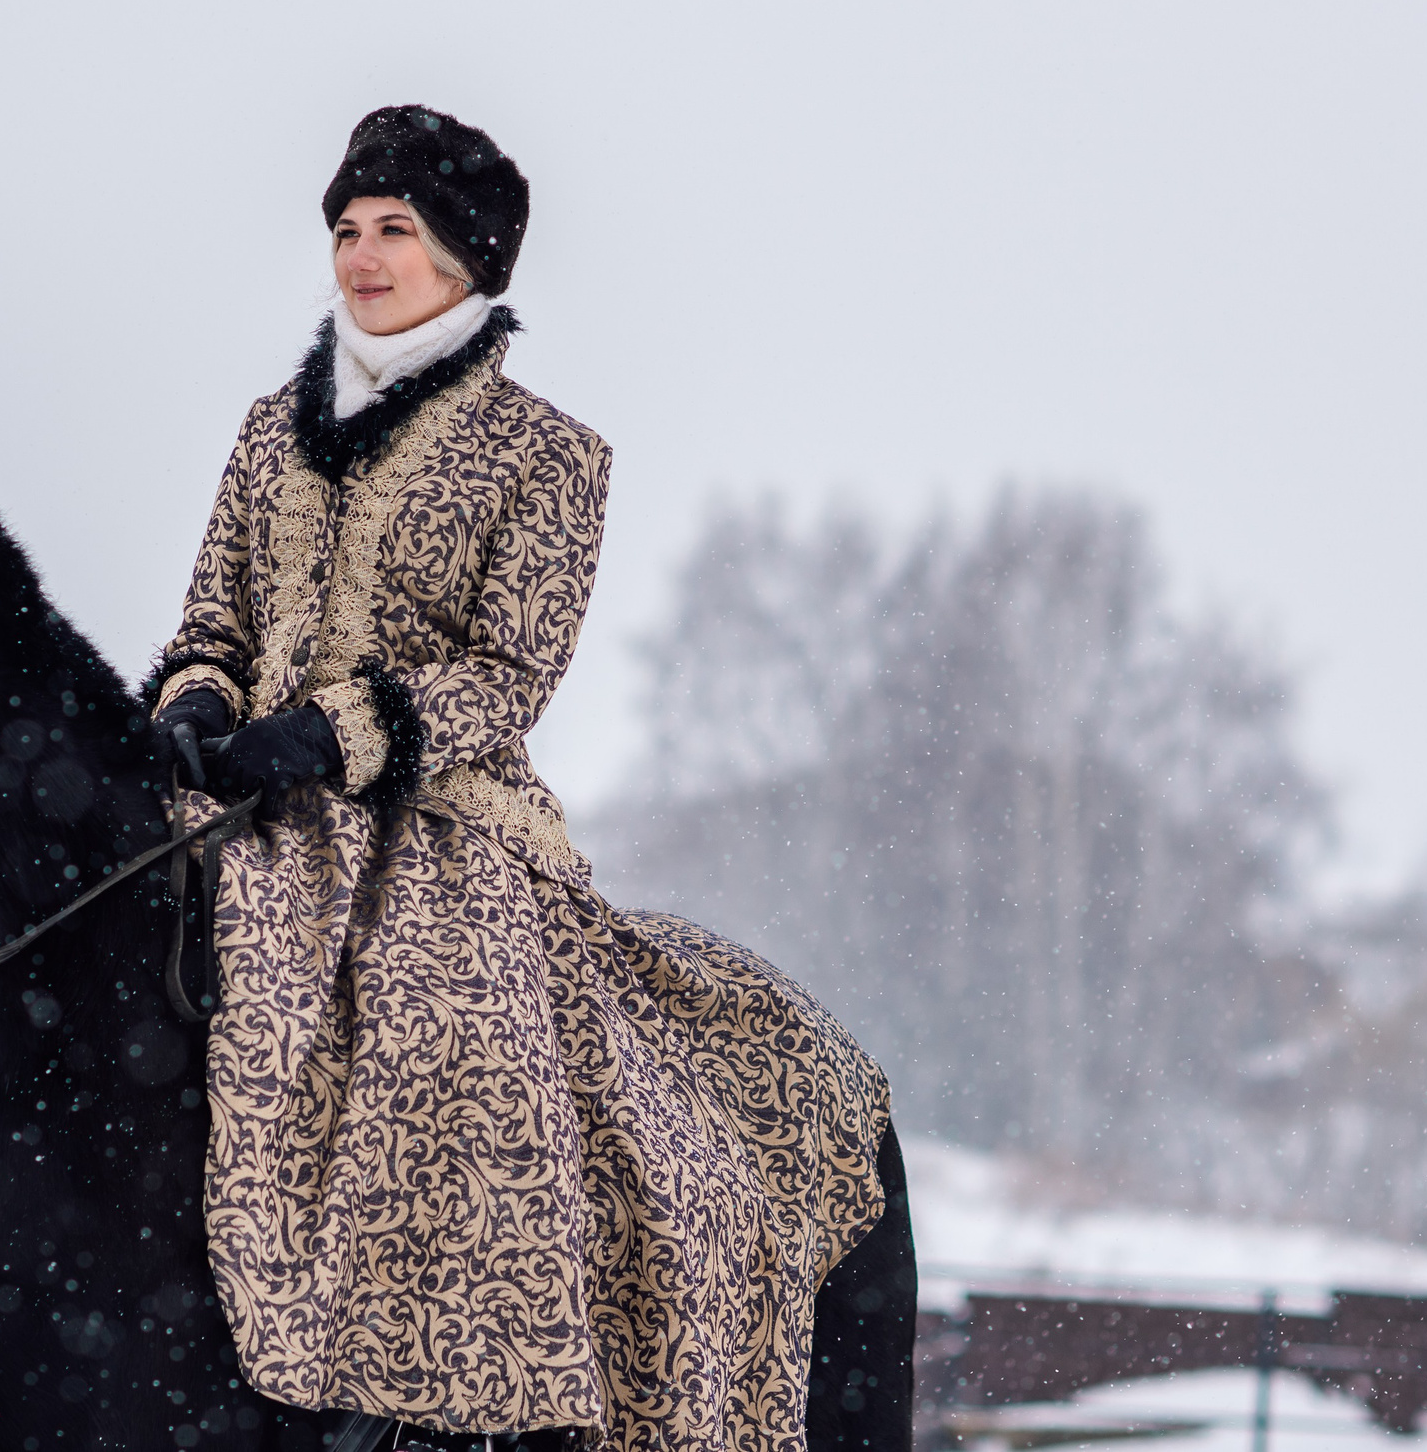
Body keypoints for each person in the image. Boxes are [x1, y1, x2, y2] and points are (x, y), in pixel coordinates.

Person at [148, 105, 912, 1452]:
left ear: (464, 260)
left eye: (395, 231)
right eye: (345, 229)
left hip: (439, 823)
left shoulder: (550, 454)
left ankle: (446, 1396)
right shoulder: (273, 429)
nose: (362, 256)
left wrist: (337, 734)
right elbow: (209, 617)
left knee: (451, 1026)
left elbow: (508, 671)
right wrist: (201, 703)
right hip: (241, 801)